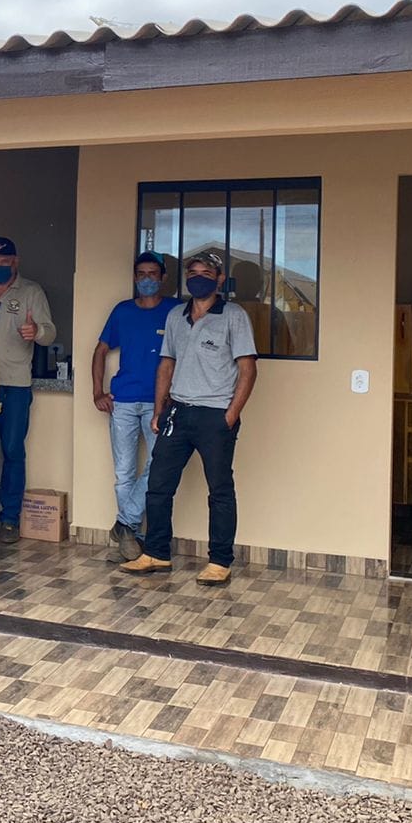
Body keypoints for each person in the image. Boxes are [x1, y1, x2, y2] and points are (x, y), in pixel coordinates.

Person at [121, 250, 257, 586]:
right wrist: (158, 410)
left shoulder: (234, 315)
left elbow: (248, 369)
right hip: (177, 412)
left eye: (206, 273)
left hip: (215, 416)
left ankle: (220, 561)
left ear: (220, 279)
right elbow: (166, 364)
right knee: (158, 486)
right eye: (192, 272)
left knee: (220, 490)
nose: (198, 277)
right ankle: (156, 553)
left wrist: (231, 414)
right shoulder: (176, 317)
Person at [0, 237, 56, 544]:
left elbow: (50, 331)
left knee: (12, 452)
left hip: (15, 384)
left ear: (16, 261)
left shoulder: (31, 291)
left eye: (5, 262)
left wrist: (37, 331)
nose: (0, 267)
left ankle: (9, 519)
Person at [91, 252, 178, 561]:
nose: (147, 279)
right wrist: (97, 391)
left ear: (163, 277)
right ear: (134, 277)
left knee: (159, 467)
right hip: (124, 401)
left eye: (153, 274)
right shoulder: (122, 311)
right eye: (141, 273)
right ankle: (133, 536)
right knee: (124, 473)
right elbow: (101, 350)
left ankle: (124, 524)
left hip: (160, 403)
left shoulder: (176, 311)